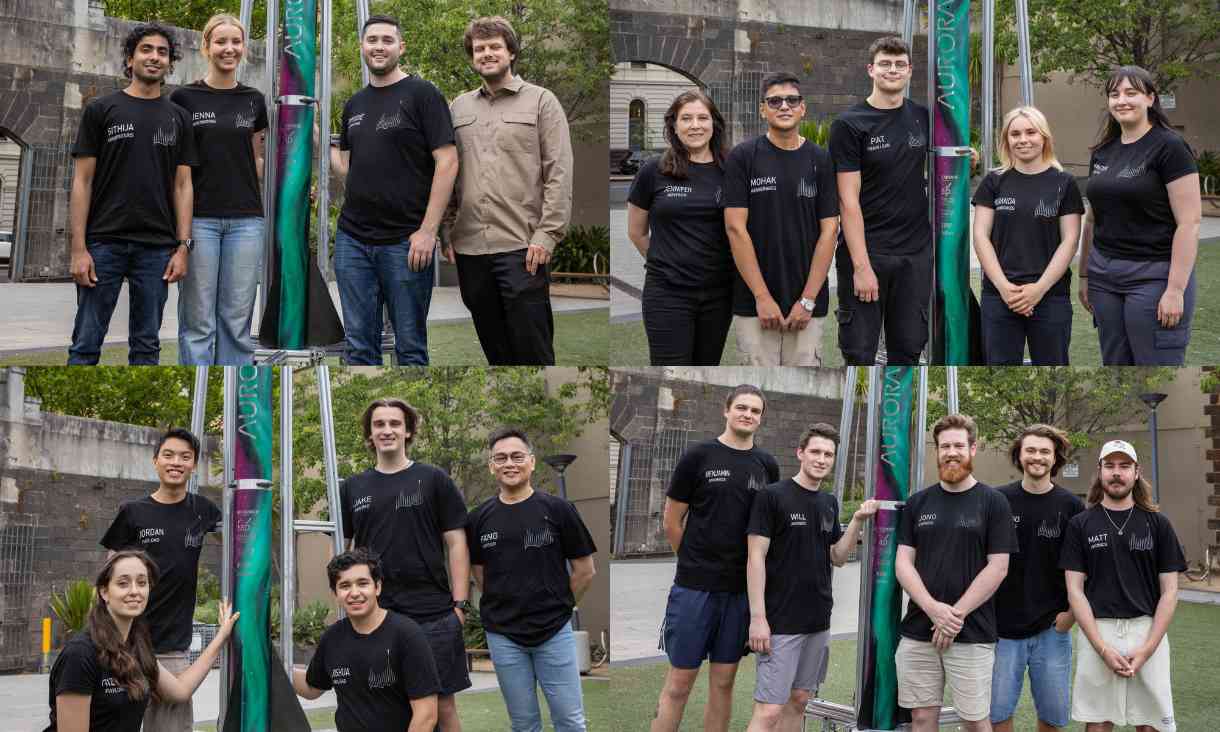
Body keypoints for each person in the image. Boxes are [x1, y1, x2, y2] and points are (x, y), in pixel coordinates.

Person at [328, 14, 458, 365]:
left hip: (406, 241)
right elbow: (353, 171)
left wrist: (428, 232)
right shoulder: (354, 104)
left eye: (387, 40)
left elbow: (447, 162)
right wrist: (321, 145)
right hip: (352, 241)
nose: (379, 46)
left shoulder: (423, 94)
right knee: (358, 347)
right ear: (362, 47)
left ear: (401, 46)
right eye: (372, 40)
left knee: (410, 347)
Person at [652, 385, 781, 732]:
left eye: (755, 411)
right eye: (741, 407)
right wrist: (692, 562)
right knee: (679, 683)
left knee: (723, 683)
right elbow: (671, 519)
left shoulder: (767, 465)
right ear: (726, 411)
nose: (748, 415)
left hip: (739, 594)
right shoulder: (698, 456)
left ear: (761, 419)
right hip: (694, 590)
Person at [68, 23, 196, 365]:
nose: (154, 57)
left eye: (162, 52)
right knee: (85, 343)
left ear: (170, 63)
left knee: (146, 346)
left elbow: (183, 185)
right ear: (130, 58)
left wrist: (183, 247)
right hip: (103, 244)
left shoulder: (179, 118)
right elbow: (82, 182)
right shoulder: (101, 110)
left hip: (157, 248)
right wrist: (79, 248)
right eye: (146, 50)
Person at [446, 16, 572, 365]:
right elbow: (450, 172)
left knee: (532, 351)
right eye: (479, 49)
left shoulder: (541, 102)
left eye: (494, 47)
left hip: (523, 246)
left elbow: (559, 171)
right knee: (495, 352)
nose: (486, 54)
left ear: (511, 52)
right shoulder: (459, 107)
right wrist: (447, 230)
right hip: (470, 248)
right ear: (472, 56)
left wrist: (547, 234)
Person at [339, 398, 471, 730]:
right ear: (369, 435)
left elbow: (456, 543)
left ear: (408, 431)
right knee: (392, 704)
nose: (387, 430)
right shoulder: (353, 487)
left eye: (395, 423)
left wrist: (459, 604)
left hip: (434, 613)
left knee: (442, 706)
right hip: (378, 614)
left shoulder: (433, 479)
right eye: (379, 424)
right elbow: (343, 551)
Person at [745, 424, 879, 731]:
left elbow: (838, 557)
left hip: (817, 619)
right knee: (768, 710)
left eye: (828, 454)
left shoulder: (828, 502)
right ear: (800, 453)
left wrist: (857, 521)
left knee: (801, 699)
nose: (821, 459)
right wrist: (758, 618)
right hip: (779, 620)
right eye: (816, 452)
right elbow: (755, 558)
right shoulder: (772, 497)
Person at [466, 428, 598, 731]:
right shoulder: (478, 518)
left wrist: (560, 607)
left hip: (554, 632)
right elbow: (481, 575)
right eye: (500, 458)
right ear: (491, 466)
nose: (509, 463)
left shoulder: (559, 510)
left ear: (532, 462)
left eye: (516, 456)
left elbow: (585, 570)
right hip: (504, 636)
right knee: (523, 724)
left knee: (570, 720)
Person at [894, 414, 1017, 732]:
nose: (951, 452)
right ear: (936, 450)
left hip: (973, 631)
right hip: (919, 629)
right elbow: (903, 563)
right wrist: (934, 611)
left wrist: (954, 616)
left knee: (975, 720)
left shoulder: (994, 502)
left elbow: (998, 567)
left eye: (959, 446)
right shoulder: (917, 503)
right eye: (945, 446)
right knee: (921, 718)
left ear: (973, 449)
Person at [1078, 65, 1202, 365]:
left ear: (1150, 98)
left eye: (1131, 93)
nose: (1122, 100)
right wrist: (1084, 275)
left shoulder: (1170, 147)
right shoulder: (1103, 151)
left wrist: (1175, 290)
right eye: (1114, 94)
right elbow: (1093, 219)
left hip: (1153, 275)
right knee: (1115, 365)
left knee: (1155, 367)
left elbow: (1189, 223)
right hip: (1104, 277)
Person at [99, 428, 221, 732]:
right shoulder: (133, 512)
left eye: (185, 457)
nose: (176, 462)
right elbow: (107, 577)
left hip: (172, 649)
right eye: (168, 455)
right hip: (126, 643)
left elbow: (241, 539)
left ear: (194, 465)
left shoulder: (203, 510)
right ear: (155, 461)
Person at [1060, 440, 1186, 731]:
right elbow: (1075, 591)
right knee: (1099, 722)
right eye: (1110, 466)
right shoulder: (1080, 524)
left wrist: (1147, 649)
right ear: (1100, 471)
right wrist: (1102, 648)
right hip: (1098, 631)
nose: (1117, 473)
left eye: (1124, 466)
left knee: (1150, 723)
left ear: (1137, 472)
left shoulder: (1158, 524)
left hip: (1146, 630)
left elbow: (1169, 593)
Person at [45, 550, 238, 732]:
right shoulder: (80, 655)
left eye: (142, 582)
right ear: (104, 592)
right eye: (123, 583)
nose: (135, 591)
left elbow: (180, 691)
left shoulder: (136, 647)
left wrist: (221, 636)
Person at [170, 13, 267, 365]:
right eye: (221, 42)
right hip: (199, 220)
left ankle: (234, 381)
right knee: (198, 321)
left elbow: (256, 161)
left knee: (236, 321)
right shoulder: (183, 98)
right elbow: (176, 169)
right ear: (206, 47)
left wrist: (293, 184)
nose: (230, 49)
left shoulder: (255, 100)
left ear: (244, 48)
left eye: (236, 42)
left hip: (247, 221)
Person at [723, 72, 839, 366]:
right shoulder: (743, 157)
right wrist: (762, 297)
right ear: (763, 109)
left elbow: (830, 232)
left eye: (792, 100)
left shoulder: (821, 160)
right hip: (754, 304)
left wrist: (808, 300)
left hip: (808, 305)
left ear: (803, 108)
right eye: (775, 101)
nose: (784, 106)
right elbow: (736, 229)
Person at [828, 36, 931, 365]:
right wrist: (861, 267)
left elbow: (945, 161)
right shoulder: (849, 125)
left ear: (910, 71)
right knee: (860, 352)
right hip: (868, 253)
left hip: (914, 255)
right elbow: (847, 201)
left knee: (910, 348)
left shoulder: (923, 117)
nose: (893, 70)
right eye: (885, 63)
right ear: (871, 69)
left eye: (900, 64)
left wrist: (968, 158)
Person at [626, 90, 734, 365]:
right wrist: (667, 263)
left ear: (714, 124)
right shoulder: (653, 170)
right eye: (686, 118)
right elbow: (636, 232)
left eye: (702, 118)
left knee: (707, 368)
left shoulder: (733, 170)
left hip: (719, 295)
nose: (695, 125)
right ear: (674, 125)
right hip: (666, 293)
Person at [989, 425, 1086, 732]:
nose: (1037, 457)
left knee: (1053, 714)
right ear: (1019, 454)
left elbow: (1084, 568)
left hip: (1052, 630)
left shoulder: (1071, 506)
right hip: (1002, 630)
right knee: (997, 712)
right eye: (1030, 450)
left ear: (1055, 458)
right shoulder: (997, 500)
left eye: (1045, 451)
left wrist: (1069, 617)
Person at [972, 107, 1084, 365]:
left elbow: (1070, 241)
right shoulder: (994, 181)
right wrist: (1004, 288)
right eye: (1015, 134)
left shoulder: (1064, 183)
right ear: (1006, 140)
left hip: (1050, 296)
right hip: (1000, 296)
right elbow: (980, 236)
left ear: (1044, 137)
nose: (1023, 139)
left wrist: (1039, 289)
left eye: (1031, 132)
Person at [293, 550, 440, 732]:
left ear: (377, 587)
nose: (354, 593)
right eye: (345, 586)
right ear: (335, 593)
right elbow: (312, 688)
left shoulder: (407, 635)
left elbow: (426, 715)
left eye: (362, 584)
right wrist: (274, 664)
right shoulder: (332, 638)